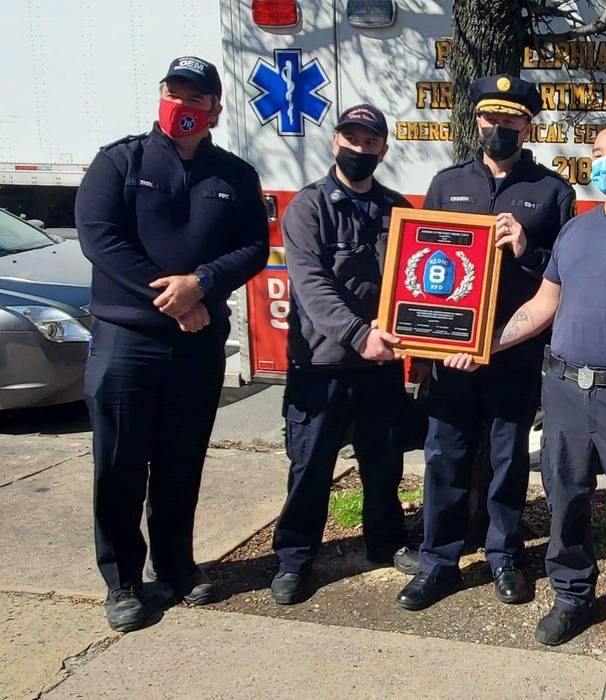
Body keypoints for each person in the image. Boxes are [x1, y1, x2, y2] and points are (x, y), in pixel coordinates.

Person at [441, 121, 606, 678]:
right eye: (597, 153)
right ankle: (572, 597)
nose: (605, 161)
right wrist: (486, 343)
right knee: (566, 506)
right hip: (563, 390)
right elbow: (543, 307)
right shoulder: (577, 232)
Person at [75, 56, 268, 631]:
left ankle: (177, 568)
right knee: (120, 464)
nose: (183, 104)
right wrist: (171, 298)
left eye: (195, 97)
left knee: (181, 463)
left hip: (197, 342)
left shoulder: (234, 175)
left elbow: (253, 248)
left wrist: (201, 285)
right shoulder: (119, 161)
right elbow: (99, 238)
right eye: (173, 92)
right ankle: (123, 582)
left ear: (215, 108)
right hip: (126, 340)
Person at [396, 74, 574, 611]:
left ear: (528, 125)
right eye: (490, 118)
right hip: (451, 355)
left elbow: (565, 275)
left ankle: (504, 556)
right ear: (477, 121)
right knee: (445, 456)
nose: (500, 127)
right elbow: (418, 271)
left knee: (507, 459)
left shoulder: (551, 191)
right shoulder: (446, 184)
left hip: (514, 354)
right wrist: (425, 354)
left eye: (511, 119)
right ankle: (438, 561)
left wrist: (526, 249)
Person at [267, 104, 416, 605]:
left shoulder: (398, 209)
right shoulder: (308, 208)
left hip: (380, 366)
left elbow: (417, 281)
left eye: (370, 142)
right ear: (335, 142)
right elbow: (311, 286)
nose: (359, 149)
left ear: (383, 149)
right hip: (322, 365)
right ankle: (293, 558)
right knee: (310, 467)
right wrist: (359, 333)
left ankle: (386, 542)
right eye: (351, 139)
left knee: (384, 463)